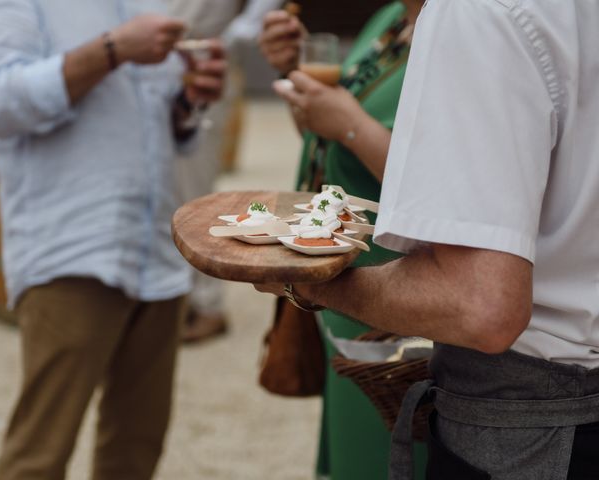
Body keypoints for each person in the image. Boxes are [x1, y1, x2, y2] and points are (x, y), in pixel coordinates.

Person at [257, 0, 599, 478]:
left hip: (523, 407)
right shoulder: (397, 21)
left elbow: (484, 306)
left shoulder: (472, 12)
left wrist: (306, 281)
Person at [0, 0, 225, 478]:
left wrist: (190, 103)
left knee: (137, 448)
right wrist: (112, 50)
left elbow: (158, 127)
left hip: (156, 250)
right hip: (71, 246)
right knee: (39, 454)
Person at [259, 2, 427, 479]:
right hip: (348, 289)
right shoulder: (393, 17)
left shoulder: (469, 25)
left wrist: (349, 123)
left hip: (405, 304)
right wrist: (294, 73)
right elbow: (327, 140)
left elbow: (445, 189)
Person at [167, 0, 283, 343]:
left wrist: (237, 34)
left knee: (195, 189)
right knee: (170, 186)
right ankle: (181, 296)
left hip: (203, 57)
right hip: (156, 62)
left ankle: (208, 305)